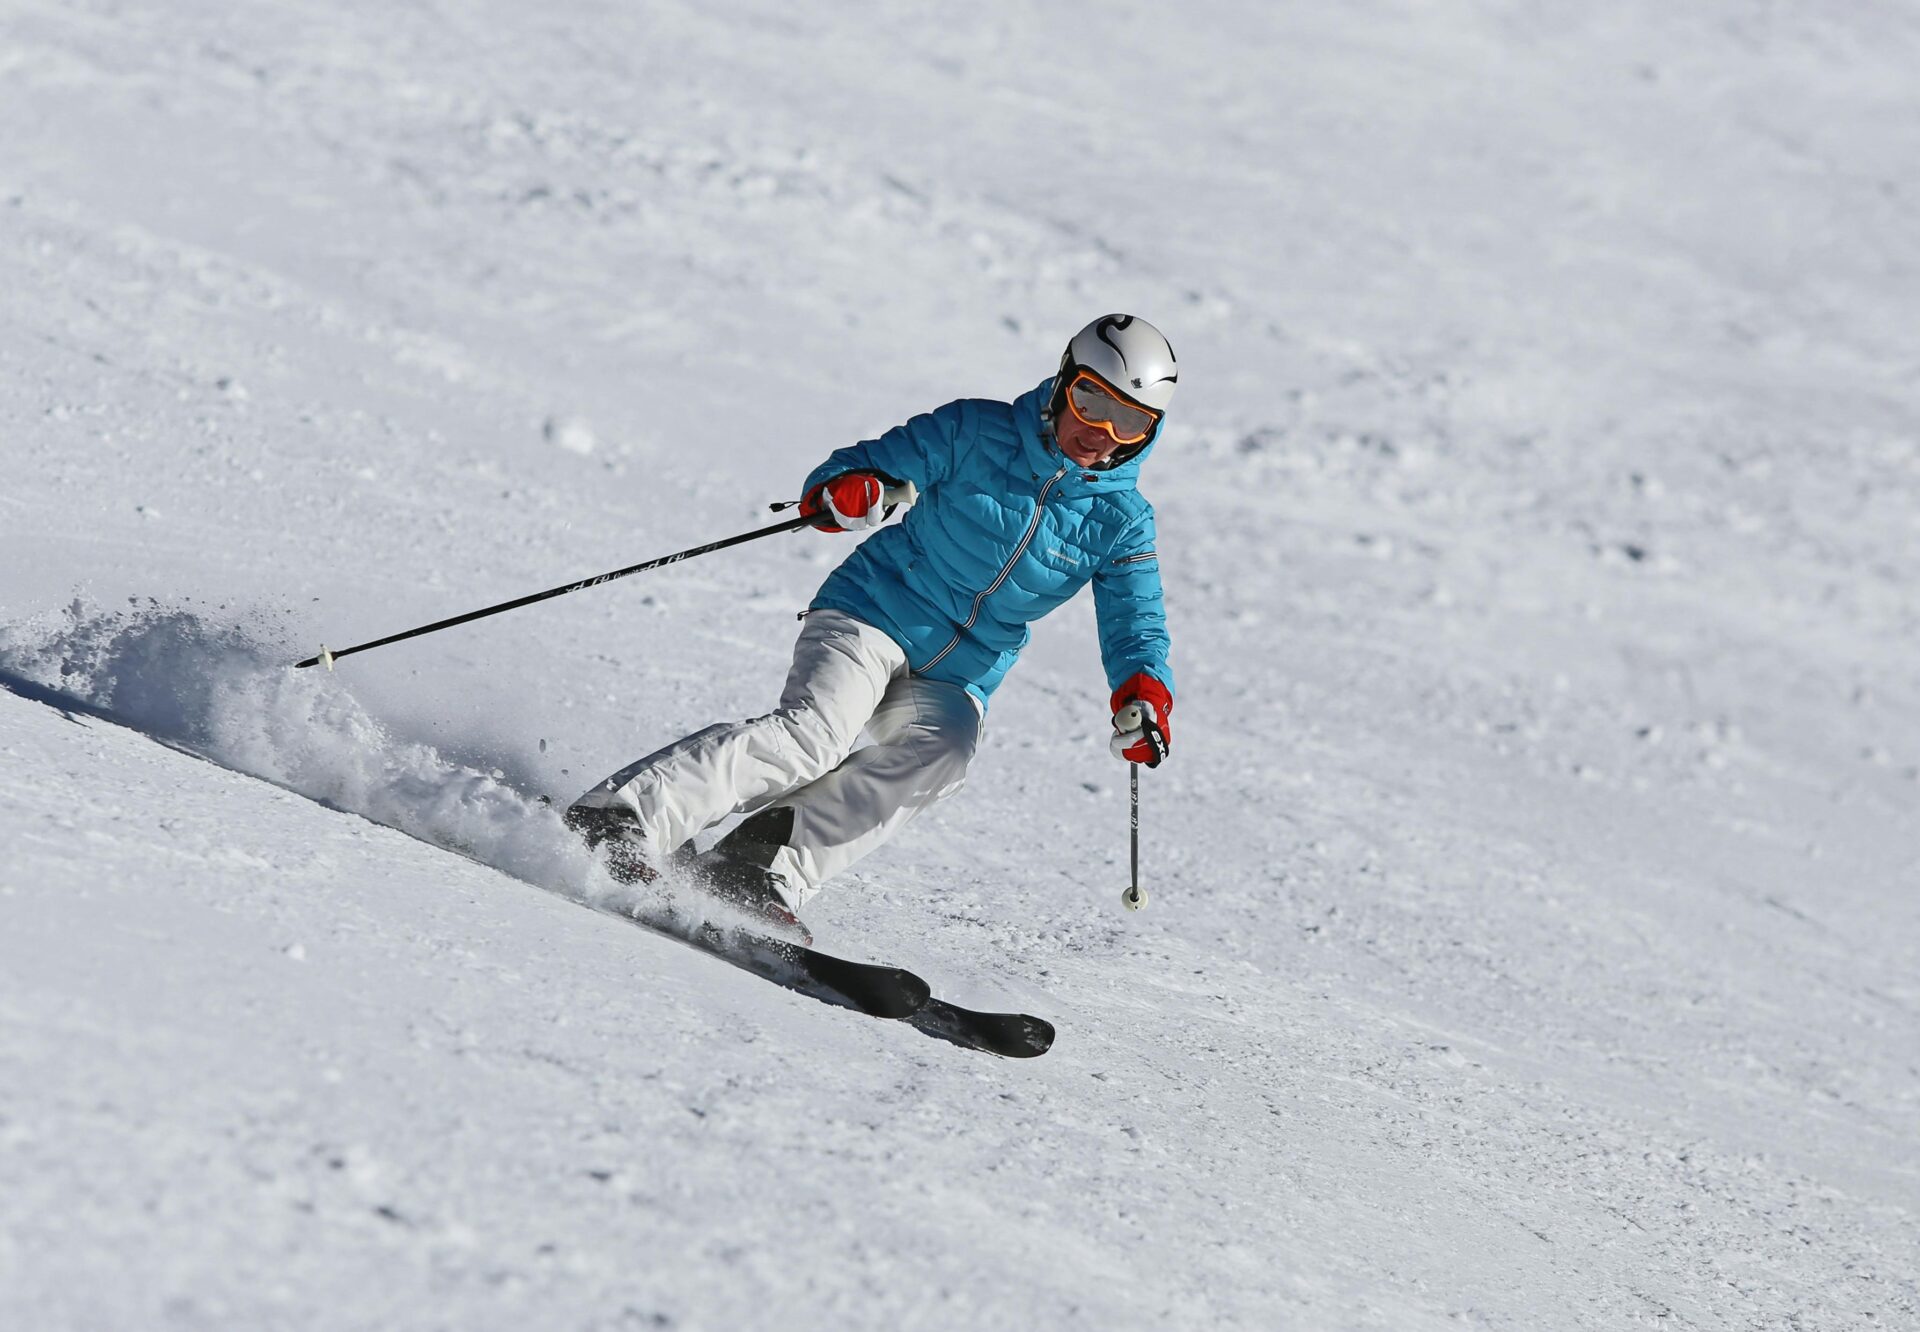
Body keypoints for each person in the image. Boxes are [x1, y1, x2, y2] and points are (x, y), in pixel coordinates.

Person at [564, 314, 1177, 934]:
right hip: (874, 611)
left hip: (962, 670)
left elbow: (1136, 624)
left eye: (1130, 420)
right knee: (813, 737)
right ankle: (624, 817)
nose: (1101, 432)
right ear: (1063, 382)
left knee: (942, 754)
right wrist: (852, 491)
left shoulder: (1122, 521)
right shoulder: (974, 429)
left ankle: (762, 863)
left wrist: (1143, 697)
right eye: (1090, 399)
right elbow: (868, 467)